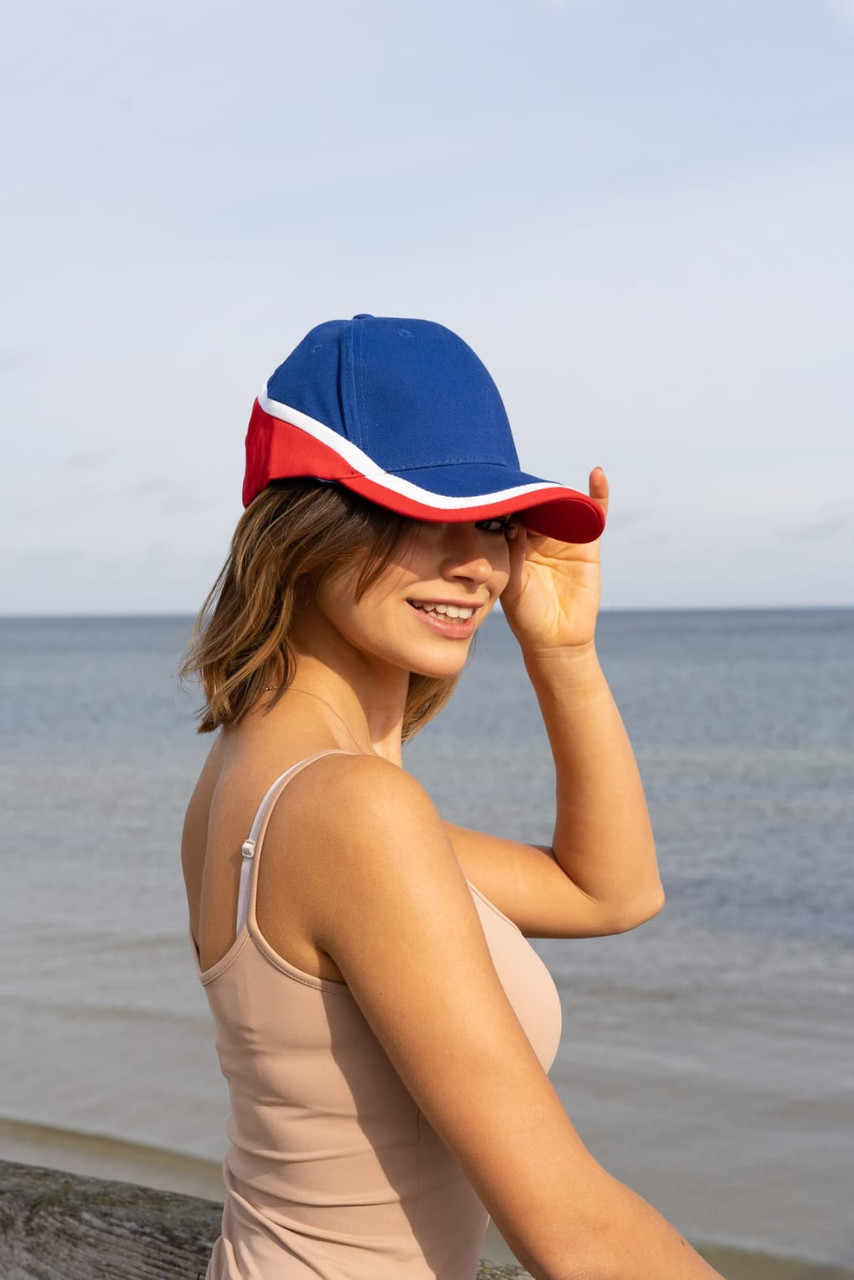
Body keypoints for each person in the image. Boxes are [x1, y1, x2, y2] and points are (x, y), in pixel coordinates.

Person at [181, 314, 724, 1279]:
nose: (478, 564)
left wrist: (562, 652)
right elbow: (574, 1232)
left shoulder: (272, 779)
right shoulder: (349, 810)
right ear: (307, 522)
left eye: (495, 522)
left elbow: (611, 893)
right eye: (425, 513)